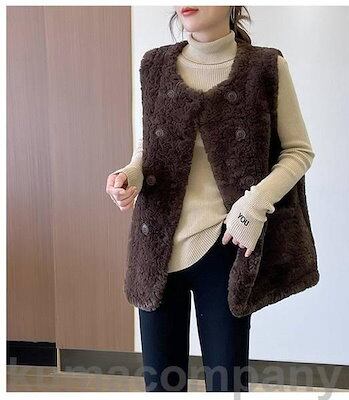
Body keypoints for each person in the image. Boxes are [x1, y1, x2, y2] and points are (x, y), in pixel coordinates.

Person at [105, 5, 315, 392]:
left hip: (224, 246)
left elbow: (298, 152)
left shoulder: (266, 67)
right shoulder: (154, 65)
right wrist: (128, 176)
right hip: (156, 247)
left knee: (226, 384)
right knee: (161, 387)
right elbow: (147, 148)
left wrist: (252, 206)